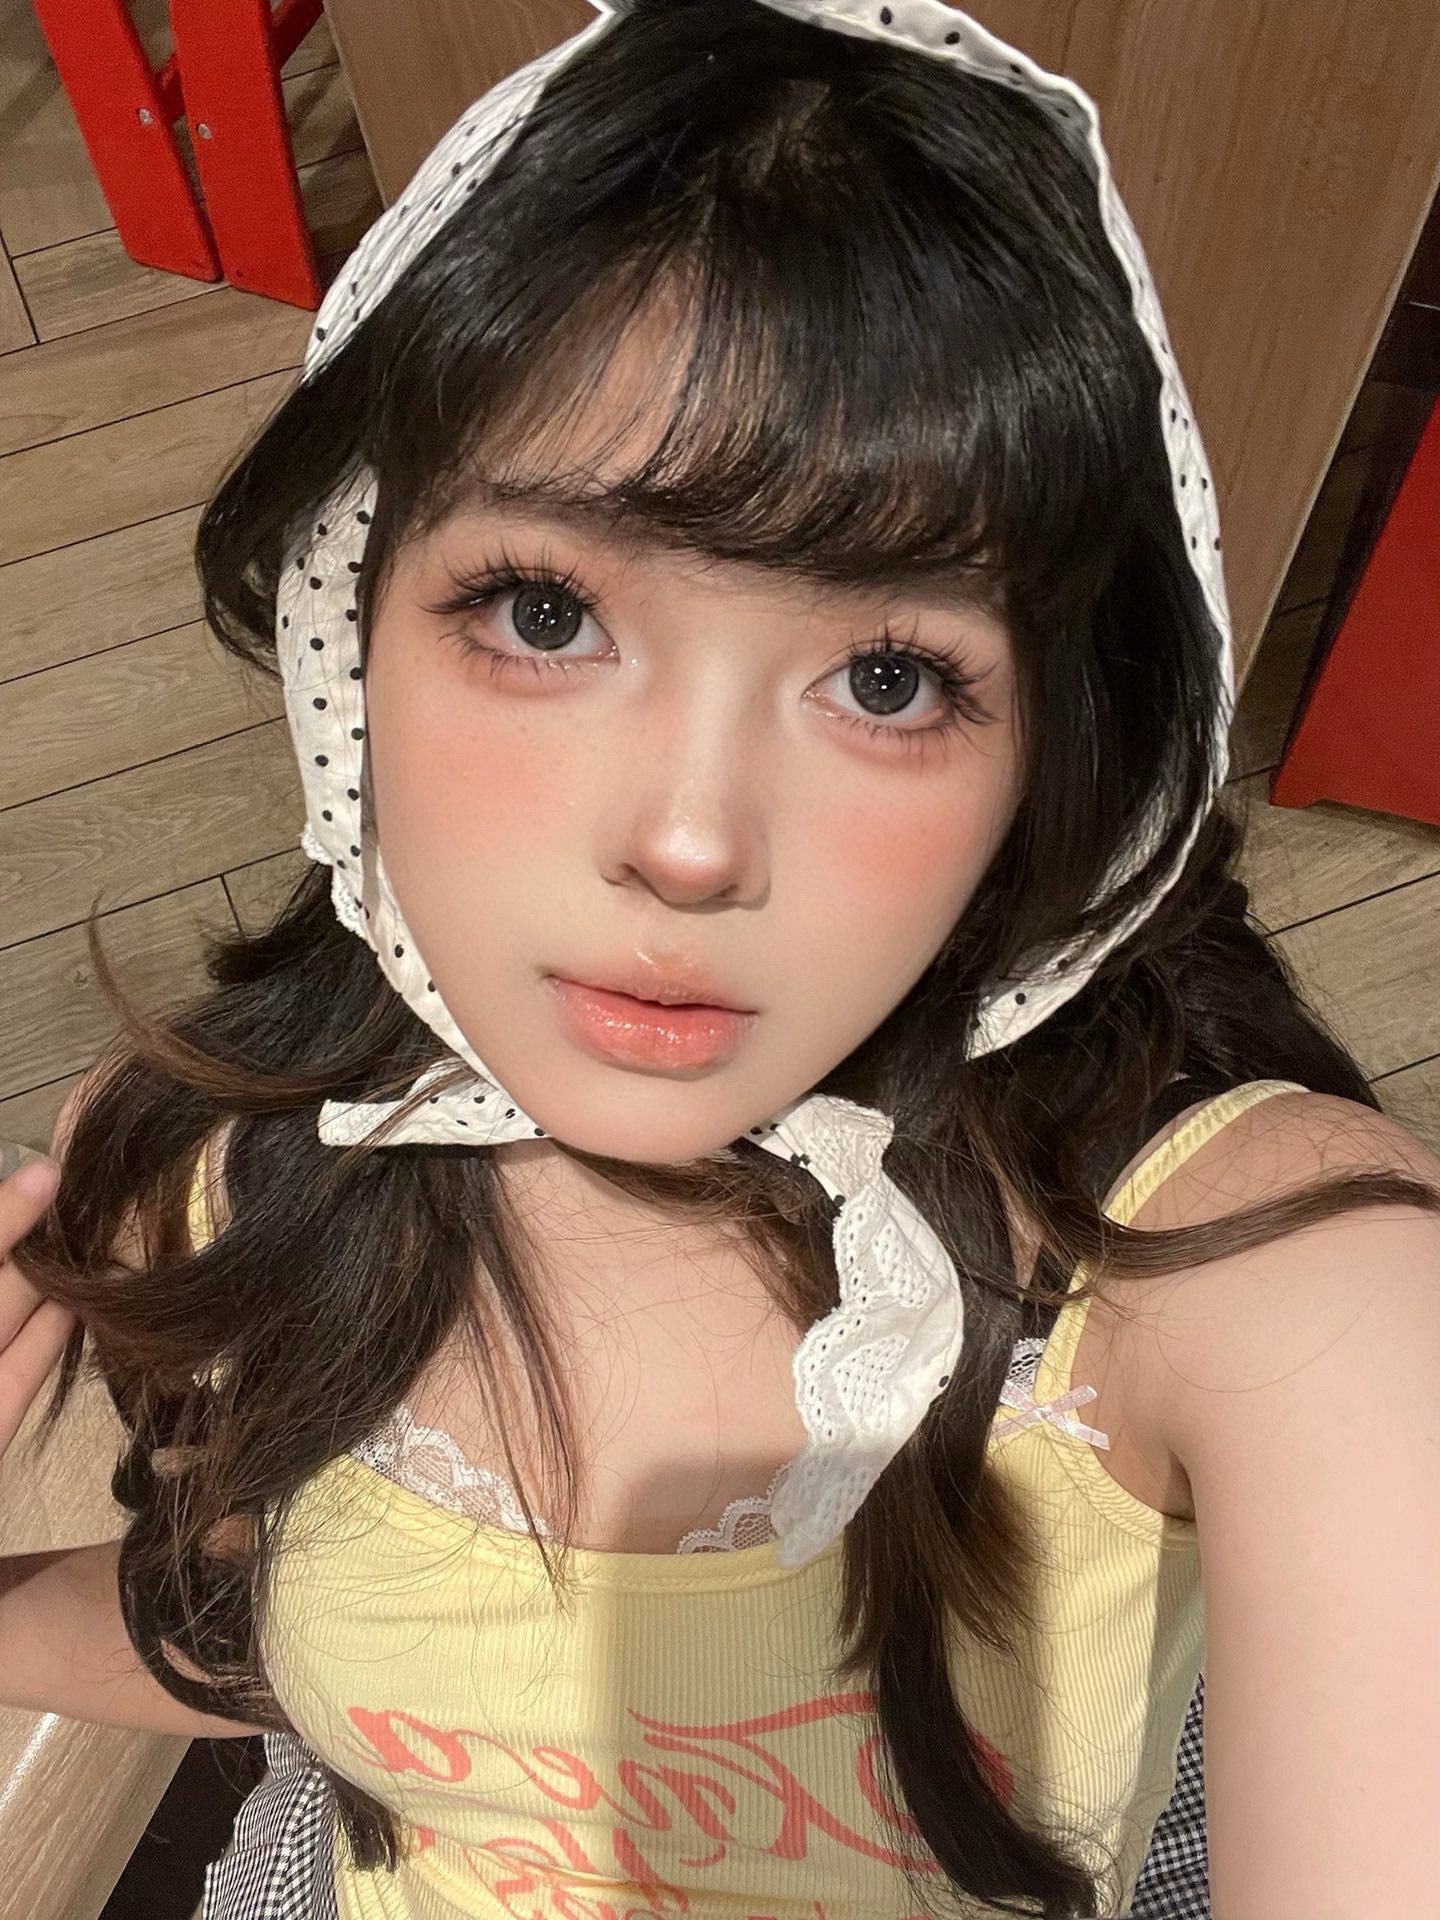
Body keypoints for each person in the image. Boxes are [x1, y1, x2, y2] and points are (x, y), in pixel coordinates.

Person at [4, 2, 1438, 1917]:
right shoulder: (217, 1169)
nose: (688, 839)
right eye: (543, 612)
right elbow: (267, 1643)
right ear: (352, 622)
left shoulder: (1249, 1285)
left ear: (1050, 757)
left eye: (888, 678)